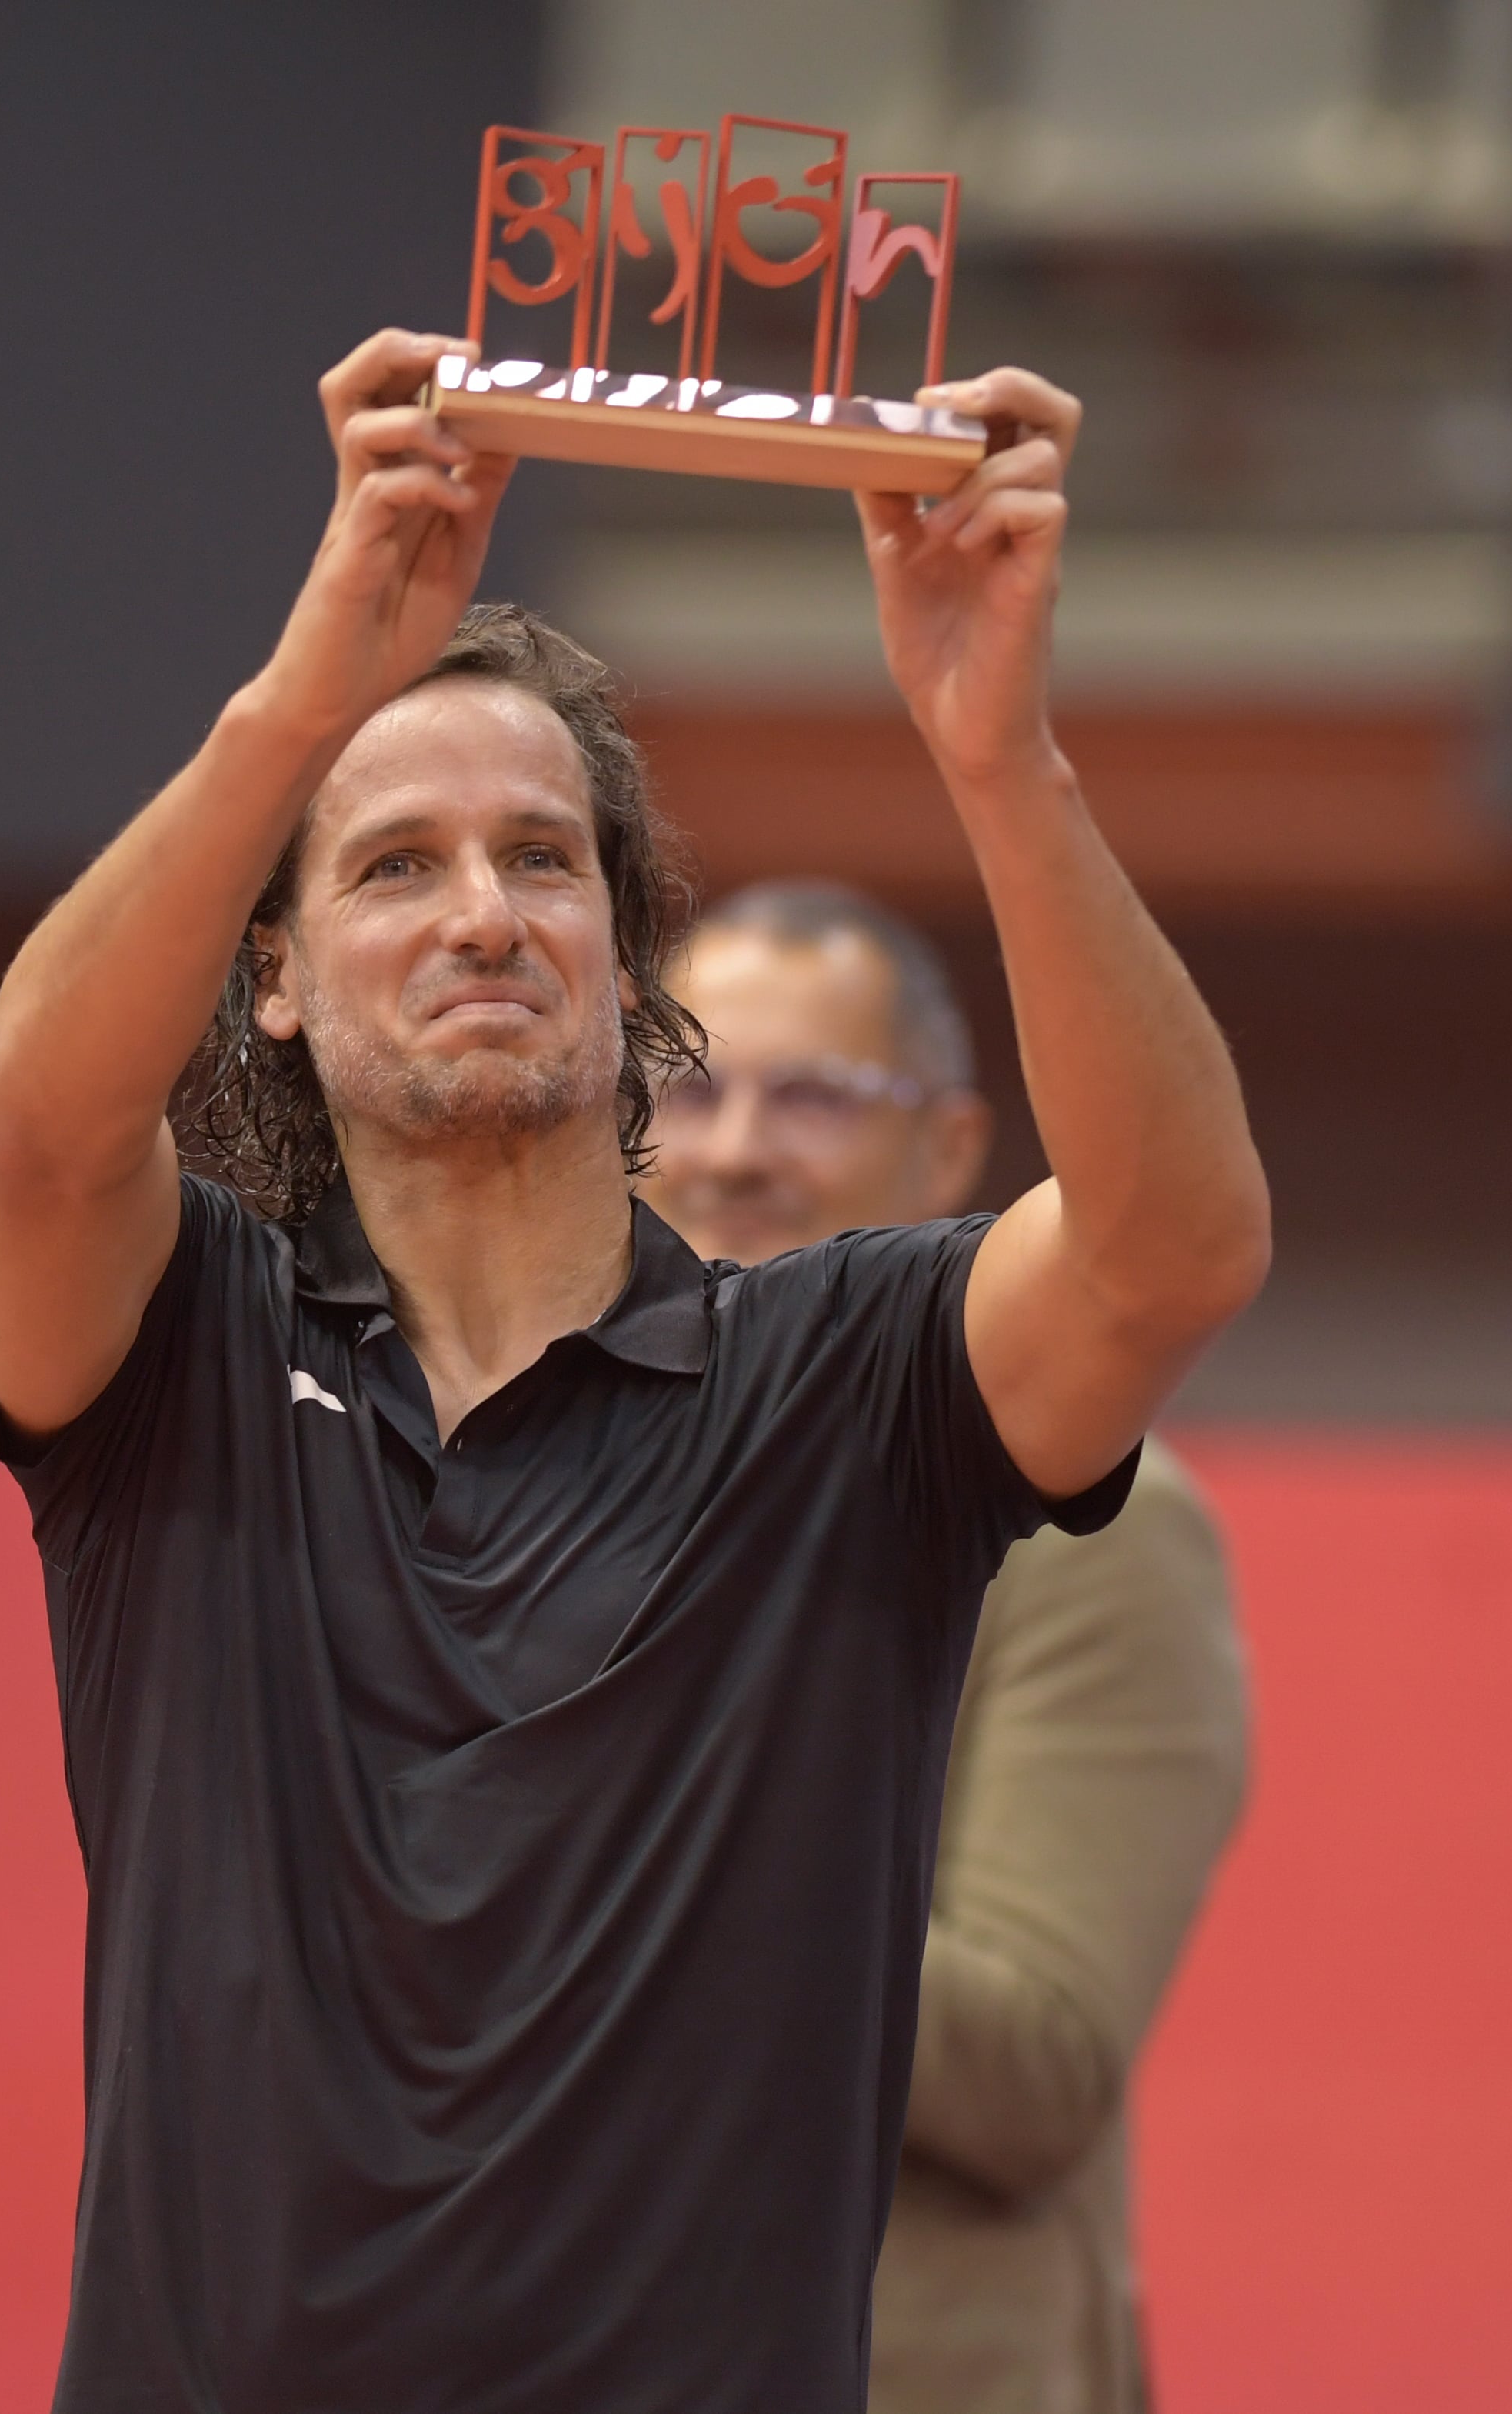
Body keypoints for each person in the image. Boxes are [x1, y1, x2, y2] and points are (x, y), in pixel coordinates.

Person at [0, 329, 1269, 2414]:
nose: (480, 910)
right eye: (395, 863)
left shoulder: (846, 1386)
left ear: (621, 949)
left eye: (541, 857)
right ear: (276, 977)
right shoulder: (176, 1356)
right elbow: (37, 1130)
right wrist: (310, 688)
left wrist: (1001, 757)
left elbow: (1173, 1247)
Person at [645, 880, 1251, 2414]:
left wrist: (616, 1838)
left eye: (814, 1099)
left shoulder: (1079, 1526)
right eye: (689, 1084)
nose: (734, 1150)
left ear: (952, 1151)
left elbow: (1032, 2068)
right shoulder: (539, 1478)